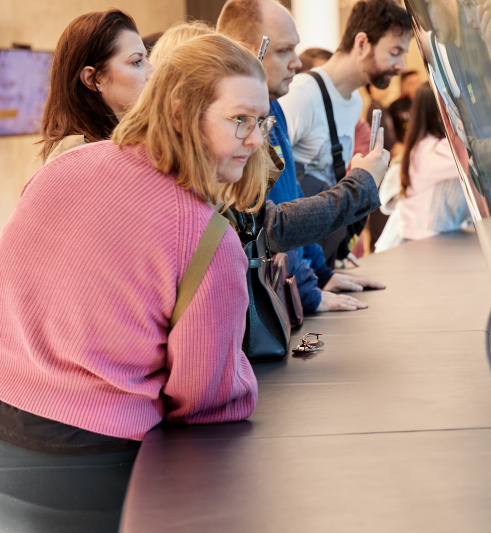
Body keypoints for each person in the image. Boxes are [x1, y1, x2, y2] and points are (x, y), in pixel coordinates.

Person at [0, 33, 388, 532]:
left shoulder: (63, 168)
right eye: (240, 121)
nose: (257, 139)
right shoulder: (207, 238)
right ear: (181, 112)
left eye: (262, 121)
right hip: (100, 467)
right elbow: (209, 399)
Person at [218, 0, 388, 312]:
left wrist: (319, 277)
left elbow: (291, 199)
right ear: (244, 51)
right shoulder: (235, 130)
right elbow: (271, 226)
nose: (297, 63)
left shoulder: (277, 108)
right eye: (284, 51)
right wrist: (361, 185)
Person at [278, 0, 412, 266]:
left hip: (317, 263)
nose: (401, 65)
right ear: (362, 43)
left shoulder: (353, 103)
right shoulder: (302, 96)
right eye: (395, 51)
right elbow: (270, 194)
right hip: (294, 268)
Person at [38, 9, 155, 163]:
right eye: (136, 62)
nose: (153, 70)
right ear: (94, 79)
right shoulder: (74, 157)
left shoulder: (114, 144)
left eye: (145, 58)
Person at [376, 83, 469, 252]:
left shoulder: (422, 146)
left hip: (422, 235)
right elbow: (468, 158)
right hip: (425, 238)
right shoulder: (433, 150)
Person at [388, 69, 421, 146]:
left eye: (417, 82)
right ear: (404, 86)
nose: (416, 86)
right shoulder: (395, 106)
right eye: (411, 84)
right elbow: (391, 130)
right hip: (405, 145)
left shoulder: (427, 102)